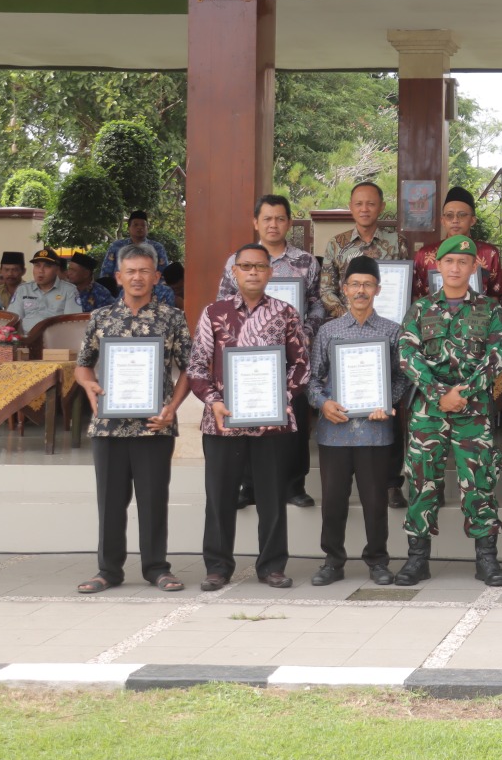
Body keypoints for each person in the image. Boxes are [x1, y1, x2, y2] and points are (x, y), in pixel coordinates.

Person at [187, 242, 311, 591]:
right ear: (234, 271)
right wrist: (213, 401)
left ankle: (272, 566)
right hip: (222, 422)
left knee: (272, 498)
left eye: (260, 266)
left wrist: (280, 398)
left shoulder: (285, 313)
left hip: (271, 423)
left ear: (270, 272)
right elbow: (196, 367)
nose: (253, 272)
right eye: (246, 266)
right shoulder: (214, 313)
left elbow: (301, 365)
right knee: (220, 497)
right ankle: (217, 567)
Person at [72, 244, 191, 594]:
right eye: (131, 271)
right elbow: (82, 365)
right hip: (108, 426)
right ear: (119, 277)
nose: (137, 277)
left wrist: (173, 407)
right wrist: (88, 385)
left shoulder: (172, 318)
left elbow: (190, 369)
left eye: (144, 271)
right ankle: (108, 570)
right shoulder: (101, 317)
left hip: (154, 425)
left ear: (156, 277)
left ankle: (157, 568)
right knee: (110, 502)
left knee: (153, 501)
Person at [394, 234, 502, 587]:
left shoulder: (490, 309)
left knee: (479, 481)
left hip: (473, 410)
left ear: (474, 267)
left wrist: (463, 393)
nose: (456, 267)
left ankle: (486, 559)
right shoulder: (420, 309)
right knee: (422, 480)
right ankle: (417, 559)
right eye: (449, 261)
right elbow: (407, 354)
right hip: (428, 410)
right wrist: (438, 393)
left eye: (463, 262)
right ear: (438, 265)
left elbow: (496, 357)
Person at [306, 256, 410, 588]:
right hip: (334, 432)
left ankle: (377, 560)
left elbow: (403, 378)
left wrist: (387, 402)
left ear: (378, 289)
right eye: (355, 284)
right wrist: (323, 403)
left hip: (375, 432)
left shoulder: (392, 331)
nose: (361, 290)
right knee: (333, 502)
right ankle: (332, 561)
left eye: (367, 284)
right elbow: (312, 380)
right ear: (344, 289)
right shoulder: (328, 331)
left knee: (375, 502)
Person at [219, 194, 326, 509]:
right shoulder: (237, 261)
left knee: (296, 418)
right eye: (267, 218)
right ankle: (250, 485)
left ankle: (294, 485)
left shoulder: (305, 262)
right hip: (250, 358)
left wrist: (305, 333)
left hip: (293, 356)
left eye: (280, 218)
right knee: (250, 416)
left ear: (289, 222)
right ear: (256, 222)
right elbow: (224, 304)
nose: (273, 224)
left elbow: (317, 303)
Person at [320, 181, 403, 318]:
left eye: (371, 204)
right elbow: (326, 290)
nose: (364, 209)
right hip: (345, 323)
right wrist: (348, 317)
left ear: (382, 207)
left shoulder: (397, 242)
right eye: (358, 204)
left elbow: (404, 287)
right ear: (350, 207)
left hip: (387, 320)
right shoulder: (336, 244)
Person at [411, 186, 502, 301]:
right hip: (432, 312)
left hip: (479, 312)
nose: (455, 220)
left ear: (473, 220)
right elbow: (416, 295)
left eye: (462, 215)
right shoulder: (424, 254)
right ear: (443, 221)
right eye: (449, 215)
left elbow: (495, 295)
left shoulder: (489, 253)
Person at [8, 246, 80, 330]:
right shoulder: (23, 289)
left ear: (57, 269)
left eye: (47, 266)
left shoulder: (69, 290)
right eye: (37, 265)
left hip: (56, 337)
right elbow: (13, 319)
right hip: (26, 336)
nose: (41, 271)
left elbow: (72, 323)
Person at [99, 211, 170, 280]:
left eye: (143, 225)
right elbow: (106, 273)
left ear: (147, 228)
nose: (139, 227)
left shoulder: (157, 248)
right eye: (135, 225)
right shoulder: (116, 246)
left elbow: (164, 275)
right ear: (128, 228)